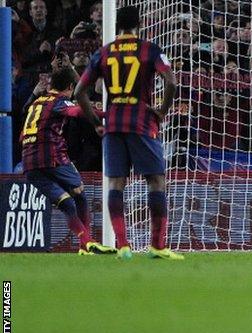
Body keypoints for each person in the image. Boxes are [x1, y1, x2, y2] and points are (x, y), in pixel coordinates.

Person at [74, 6, 181, 260]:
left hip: (113, 123)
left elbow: (79, 92)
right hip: (141, 121)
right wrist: (162, 111)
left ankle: (123, 244)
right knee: (156, 180)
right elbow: (172, 82)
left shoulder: (103, 52)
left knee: (116, 183)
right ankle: (157, 245)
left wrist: (95, 121)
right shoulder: (149, 49)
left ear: (118, 25)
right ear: (140, 24)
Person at [21, 68, 115, 256]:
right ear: (71, 87)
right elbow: (77, 111)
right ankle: (86, 244)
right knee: (79, 193)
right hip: (51, 157)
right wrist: (106, 115)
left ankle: (85, 245)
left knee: (68, 203)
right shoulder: (59, 101)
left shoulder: (37, 101)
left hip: (29, 163)